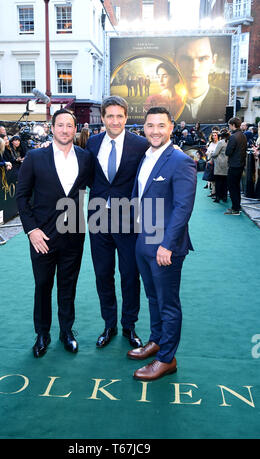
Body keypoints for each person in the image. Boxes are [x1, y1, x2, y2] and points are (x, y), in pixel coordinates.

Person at [127, 106, 197, 381]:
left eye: (161, 126)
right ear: (143, 128)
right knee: (153, 297)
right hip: (144, 238)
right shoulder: (146, 156)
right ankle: (156, 341)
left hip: (165, 245)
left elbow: (183, 207)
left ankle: (167, 359)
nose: (155, 131)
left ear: (171, 128)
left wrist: (167, 245)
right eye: (150, 125)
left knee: (168, 303)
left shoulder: (180, 160)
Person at [16, 109, 93, 358]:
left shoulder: (85, 157)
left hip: (73, 234)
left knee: (68, 285)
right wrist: (31, 230)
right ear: (52, 128)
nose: (64, 130)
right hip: (42, 236)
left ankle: (66, 332)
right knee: (43, 286)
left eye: (69, 126)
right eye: (60, 125)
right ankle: (42, 333)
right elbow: (21, 197)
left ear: (75, 129)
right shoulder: (35, 157)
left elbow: (100, 188)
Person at [85, 95, 149, 349]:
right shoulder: (92, 143)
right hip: (98, 217)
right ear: (103, 118)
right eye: (109, 116)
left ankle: (129, 325)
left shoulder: (140, 144)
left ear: (126, 118)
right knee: (103, 273)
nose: (114, 120)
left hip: (129, 219)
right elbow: (87, 176)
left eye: (119, 116)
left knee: (130, 274)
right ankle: (109, 324)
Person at [175, 37, 226, 123]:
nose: (194, 68)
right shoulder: (163, 101)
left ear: (214, 60)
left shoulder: (224, 99)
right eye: (186, 59)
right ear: (175, 60)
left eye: (202, 58)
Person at [224, 117, 247, 215]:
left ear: (233, 125)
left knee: (232, 186)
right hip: (241, 164)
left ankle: (235, 208)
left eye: (229, 125)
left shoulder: (233, 137)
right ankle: (237, 206)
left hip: (234, 165)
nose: (229, 127)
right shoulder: (243, 135)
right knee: (236, 186)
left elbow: (228, 152)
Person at [210, 129, 230, 203]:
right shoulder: (229, 142)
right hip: (227, 163)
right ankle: (224, 197)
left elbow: (215, 153)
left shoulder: (221, 142)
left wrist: (211, 155)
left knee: (218, 181)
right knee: (225, 182)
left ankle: (218, 197)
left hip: (219, 164)